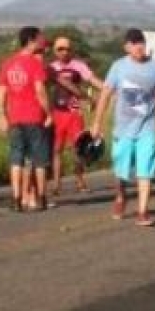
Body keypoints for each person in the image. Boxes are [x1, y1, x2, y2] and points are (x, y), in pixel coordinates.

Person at [91, 28, 155, 227]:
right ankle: (121, 195)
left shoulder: (154, 68)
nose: (139, 46)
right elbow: (105, 94)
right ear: (126, 47)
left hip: (147, 128)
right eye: (134, 43)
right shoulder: (118, 67)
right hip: (124, 129)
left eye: (141, 42)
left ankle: (143, 212)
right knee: (121, 170)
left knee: (145, 171)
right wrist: (97, 122)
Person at [0, 26, 53, 213]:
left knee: (16, 159)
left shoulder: (8, 63)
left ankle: (16, 199)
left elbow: (2, 92)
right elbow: (40, 90)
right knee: (39, 159)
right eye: (39, 38)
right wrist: (49, 113)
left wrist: (2, 115)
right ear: (31, 41)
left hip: (15, 118)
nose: (42, 42)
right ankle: (42, 198)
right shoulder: (35, 64)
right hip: (34, 116)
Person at [48, 35, 104, 196]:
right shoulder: (51, 67)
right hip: (56, 112)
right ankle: (56, 185)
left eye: (67, 49)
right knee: (56, 150)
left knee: (79, 149)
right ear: (54, 51)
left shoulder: (78, 66)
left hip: (74, 113)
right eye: (60, 49)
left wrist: (107, 89)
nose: (64, 52)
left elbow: (93, 80)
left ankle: (80, 181)